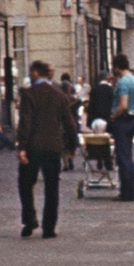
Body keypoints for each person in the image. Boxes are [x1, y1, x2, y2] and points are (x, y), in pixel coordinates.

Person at [17, 60, 78, 237]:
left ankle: (29, 220)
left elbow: (25, 122)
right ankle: (49, 227)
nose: (29, 74)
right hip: (53, 147)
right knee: (52, 188)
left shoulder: (29, 94)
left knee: (25, 184)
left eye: (30, 71)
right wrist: (72, 146)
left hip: (32, 147)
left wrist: (22, 147)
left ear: (36, 73)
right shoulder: (59, 95)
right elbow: (69, 123)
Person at [108, 54, 134, 201]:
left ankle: (126, 192)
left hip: (123, 121)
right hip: (133, 118)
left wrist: (113, 116)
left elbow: (123, 104)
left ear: (116, 67)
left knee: (123, 157)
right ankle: (129, 190)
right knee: (128, 156)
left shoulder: (123, 82)